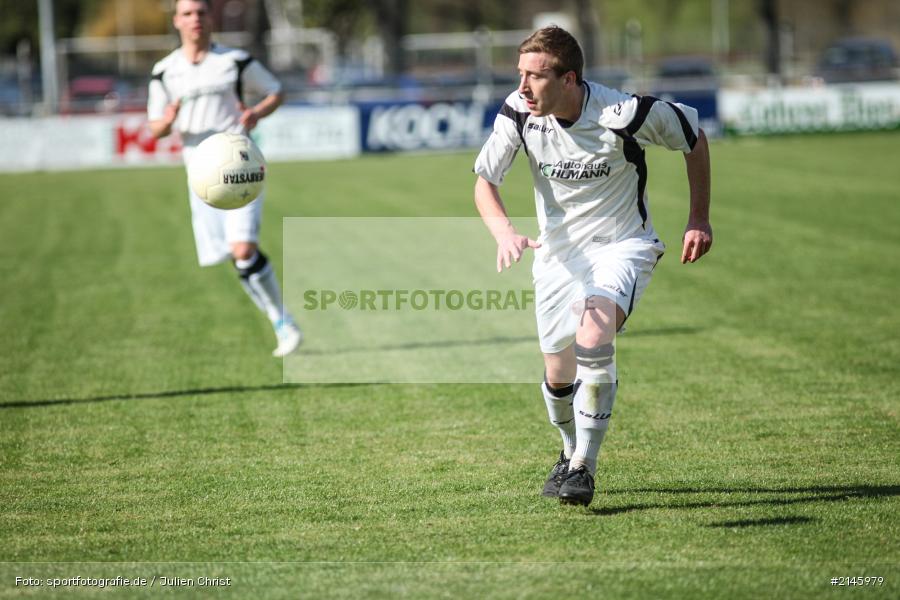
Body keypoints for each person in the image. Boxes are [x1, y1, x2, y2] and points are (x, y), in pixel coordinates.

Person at [473, 26, 712, 506]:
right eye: (520, 73)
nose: (523, 86)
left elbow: (693, 136)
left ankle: (584, 466)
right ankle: (567, 450)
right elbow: (484, 181)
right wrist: (504, 232)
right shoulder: (517, 112)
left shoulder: (623, 114)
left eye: (536, 76)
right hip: (558, 255)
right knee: (559, 374)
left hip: (622, 245)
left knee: (594, 337)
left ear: (570, 79)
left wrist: (698, 217)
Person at [147, 0, 302, 357]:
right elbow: (155, 127)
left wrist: (256, 112)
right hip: (200, 174)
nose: (195, 19)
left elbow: (276, 90)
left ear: (210, 18)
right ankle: (281, 321)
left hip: (240, 164)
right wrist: (168, 120)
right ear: (176, 21)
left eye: (201, 12)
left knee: (243, 248)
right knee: (236, 258)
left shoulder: (233, 61)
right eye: (187, 13)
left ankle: (284, 325)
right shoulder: (164, 71)